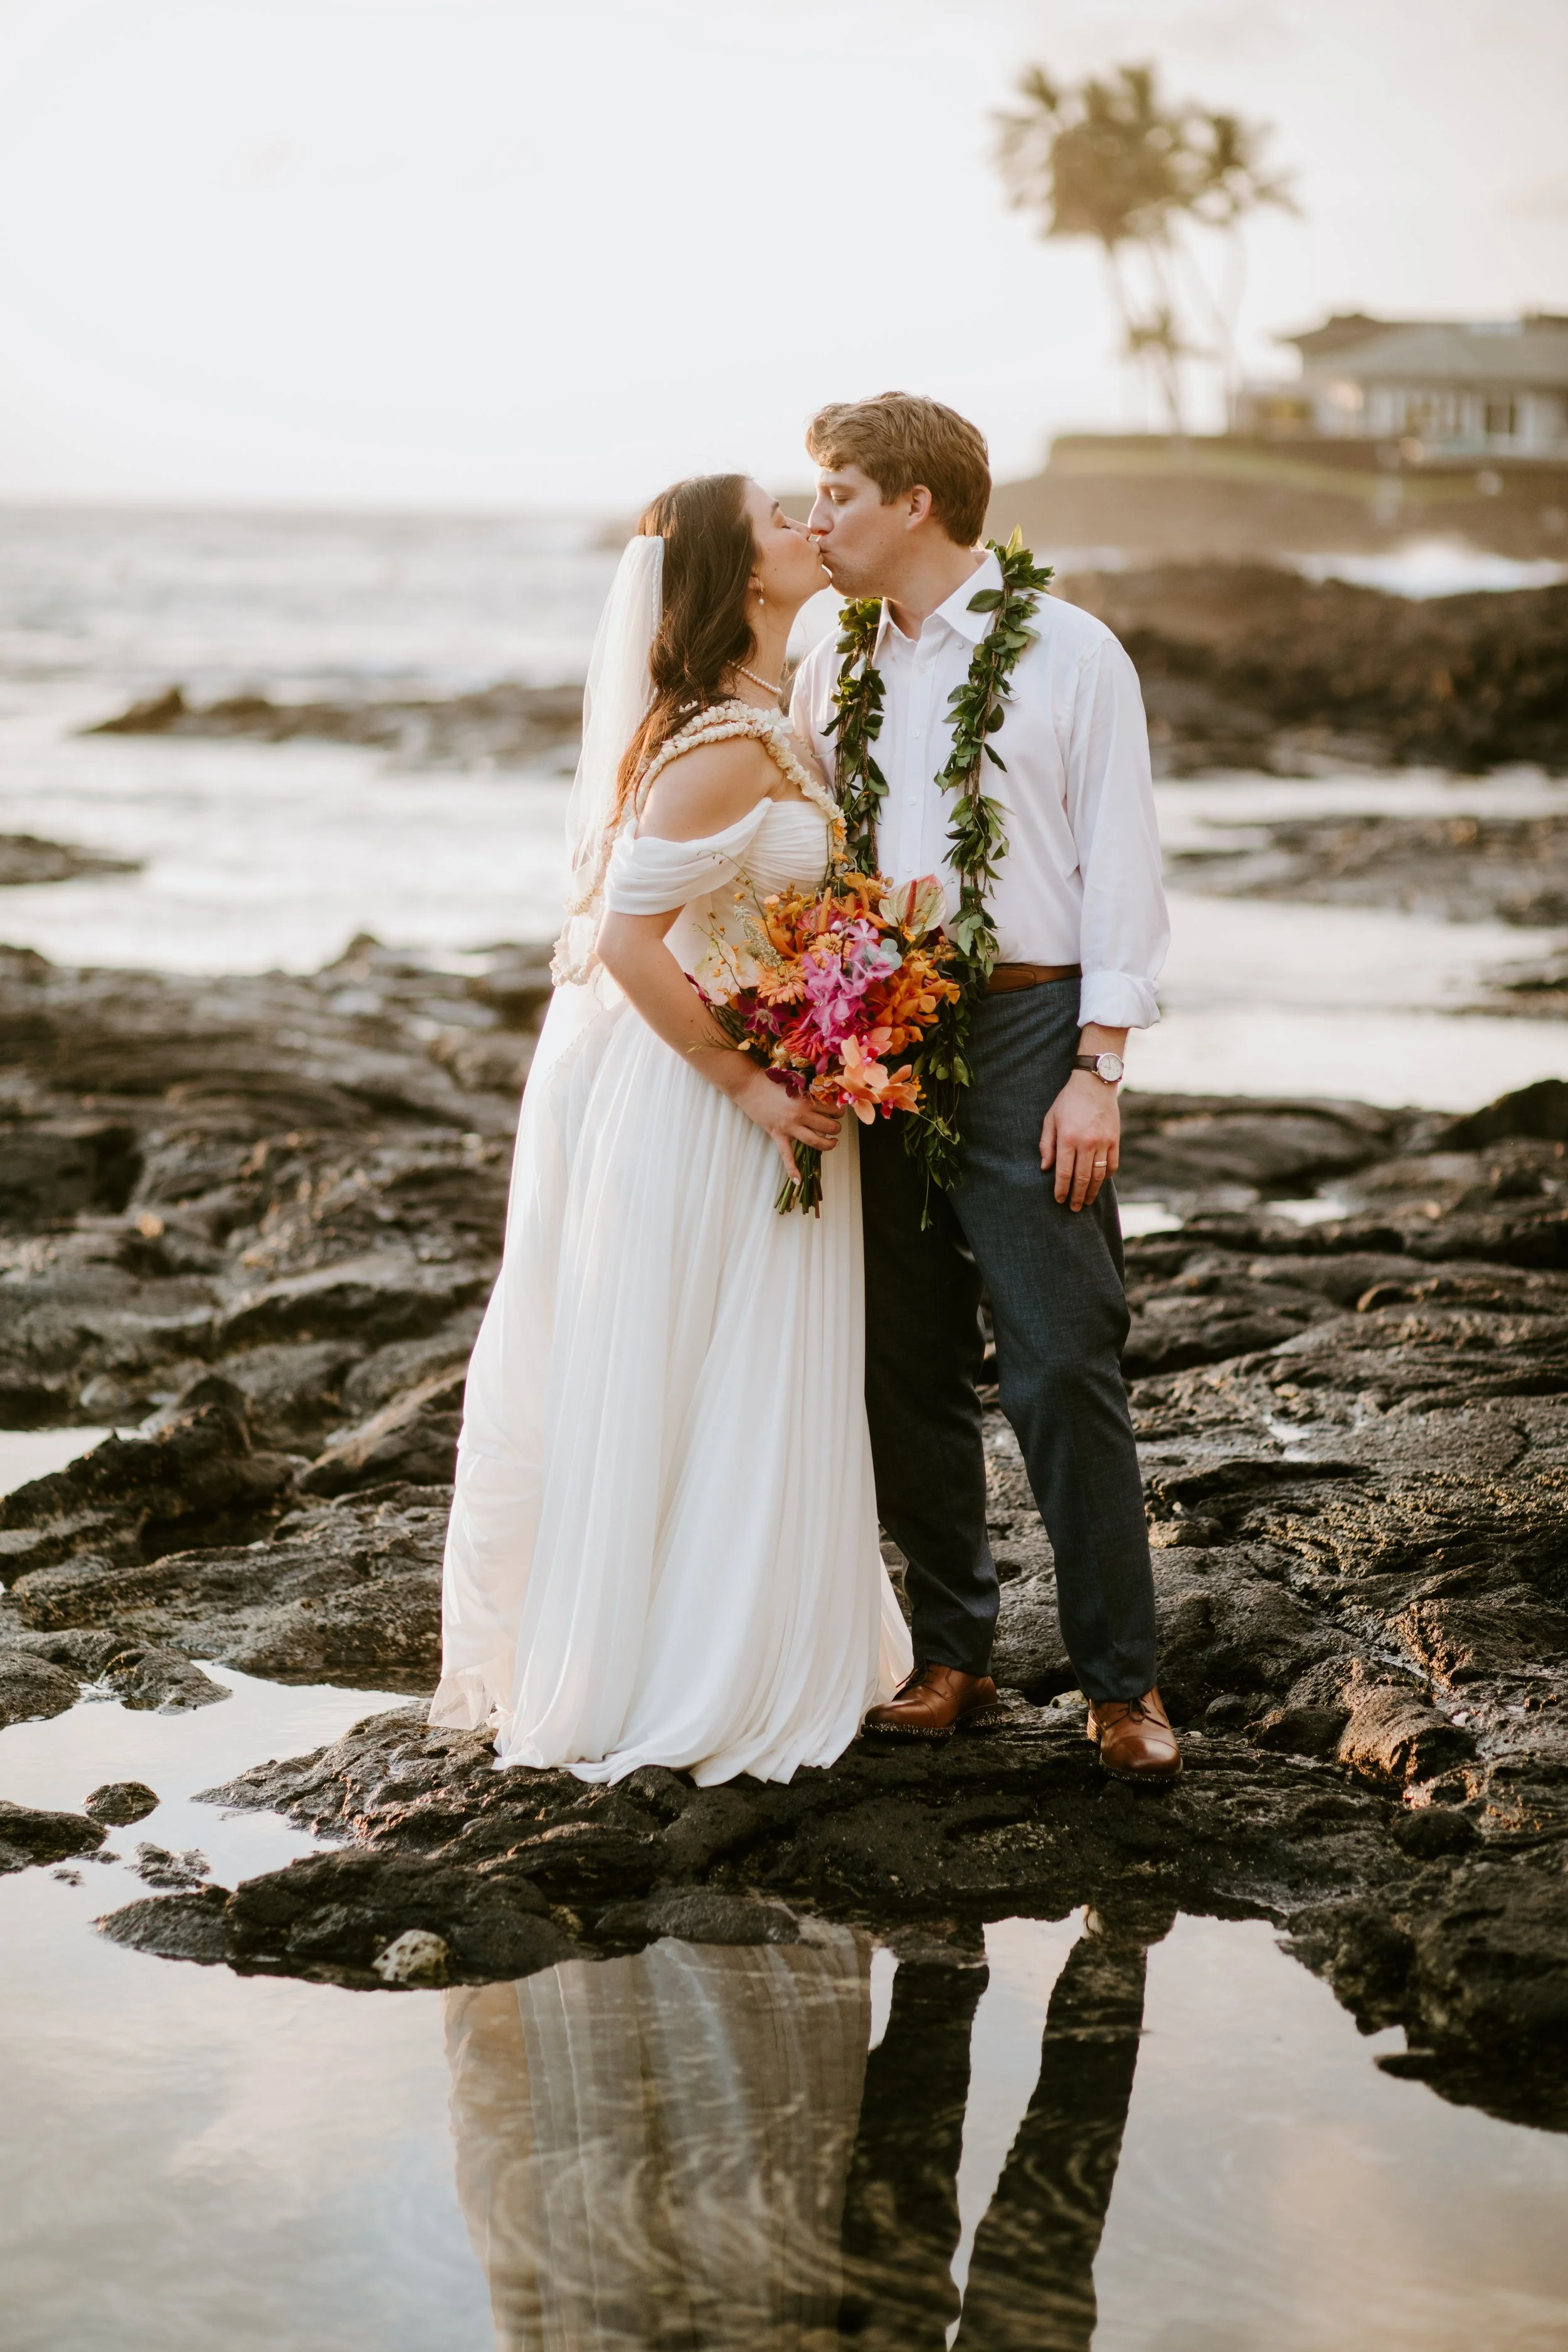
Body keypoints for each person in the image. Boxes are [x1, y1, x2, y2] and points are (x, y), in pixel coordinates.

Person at [432, 473, 911, 1783]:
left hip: (771, 1081)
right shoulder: (718, 745)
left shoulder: (771, 717)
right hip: (711, 1108)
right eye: (778, 518)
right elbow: (627, 945)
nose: (808, 525)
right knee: (704, 1375)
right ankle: (685, 1672)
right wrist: (752, 1084)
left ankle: (749, 1642)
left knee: (739, 1376)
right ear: (742, 575)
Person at [790, 393, 1181, 1781]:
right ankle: (952, 1654)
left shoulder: (1070, 653)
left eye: (836, 493)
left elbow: (1122, 863)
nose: (813, 521)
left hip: (1030, 1027)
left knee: (1061, 1362)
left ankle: (1121, 1687)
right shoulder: (826, 659)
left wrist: (1098, 1068)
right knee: (901, 1361)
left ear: (914, 502)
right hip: (876, 1033)